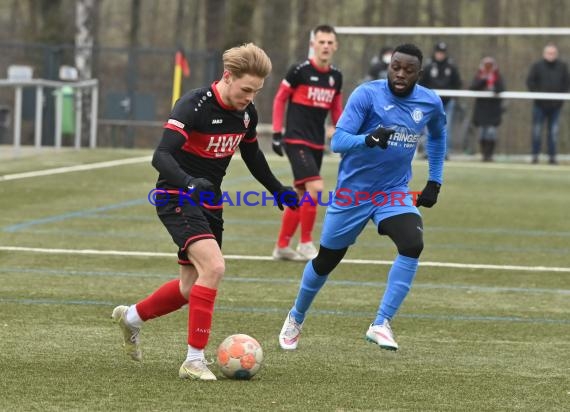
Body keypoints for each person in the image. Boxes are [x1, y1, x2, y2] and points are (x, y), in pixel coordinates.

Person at [111, 43, 298, 381]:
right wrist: (187, 181)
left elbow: (252, 155)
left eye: (256, 92)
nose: (250, 98)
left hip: (210, 201)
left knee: (189, 287)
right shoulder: (193, 105)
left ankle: (132, 318)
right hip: (176, 194)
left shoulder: (246, 114)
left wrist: (277, 188)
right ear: (228, 76)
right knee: (214, 267)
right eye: (245, 90)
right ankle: (193, 360)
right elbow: (161, 155)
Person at [278, 43, 446, 352]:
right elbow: (339, 142)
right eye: (396, 66)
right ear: (388, 65)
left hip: (393, 191)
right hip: (352, 194)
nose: (400, 74)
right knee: (326, 260)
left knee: (412, 244)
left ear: (418, 74)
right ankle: (296, 316)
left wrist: (435, 180)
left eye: (408, 70)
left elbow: (437, 136)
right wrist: (367, 140)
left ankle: (381, 323)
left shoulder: (430, 103)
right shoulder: (366, 95)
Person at [271, 24, 343, 261]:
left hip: (316, 144)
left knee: (302, 193)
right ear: (313, 45)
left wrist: (340, 131)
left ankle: (282, 246)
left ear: (335, 46)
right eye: (321, 42)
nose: (325, 46)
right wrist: (277, 132)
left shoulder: (335, 77)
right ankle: (305, 243)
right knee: (316, 187)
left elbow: (336, 109)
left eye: (329, 42)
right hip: (295, 139)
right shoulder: (298, 71)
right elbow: (280, 99)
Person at [526, 43, 569, 165]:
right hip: (539, 105)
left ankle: (552, 157)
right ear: (544, 54)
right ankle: (535, 156)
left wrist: (560, 100)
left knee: (553, 132)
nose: (551, 55)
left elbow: (566, 83)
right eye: (549, 53)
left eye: (553, 53)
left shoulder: (562, 67)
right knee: (537, 131)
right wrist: (538, 96)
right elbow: (530, 82)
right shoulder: (537, 66)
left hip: (555, 106)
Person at [419, 41, 461, 158]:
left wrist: (453, 97)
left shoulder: (451, 67)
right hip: (431, 103)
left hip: (447, 102)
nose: (440, 55)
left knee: (446, 127)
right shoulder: (428, 66)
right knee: (429, 127)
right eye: (438, 52)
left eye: (442, 53)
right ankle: (428, 152)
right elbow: (422, 83)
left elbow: (457, 83)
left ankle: (444, 152)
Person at [469, 56, 506, 162]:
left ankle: (490, 155)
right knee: (482, 132)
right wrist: (484, 80)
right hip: (481, 110)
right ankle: (484, 155)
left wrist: (493, 84)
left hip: (493, 110)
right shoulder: (479, 76)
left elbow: (501, 89)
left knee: (491, 132)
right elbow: (473, 87)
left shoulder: (497, 77)